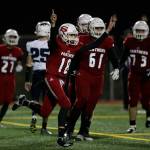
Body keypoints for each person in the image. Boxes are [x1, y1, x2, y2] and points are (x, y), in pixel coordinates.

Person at [12, 16, 115, 147]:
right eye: (71, 35)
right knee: (66, 104)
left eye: (74, 35)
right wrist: (54, 25)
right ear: (63, 35)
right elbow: (53, 38)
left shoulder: (77, 46)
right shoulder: (56, 44)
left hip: (63, 80)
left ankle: (24, 101)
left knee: (44, 112)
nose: (74, 37)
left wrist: (106, 32)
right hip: (52, 77)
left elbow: (93, 44)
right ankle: (62, 138)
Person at [66, 16, 119, 141]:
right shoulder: (82, 39)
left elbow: (113, 57)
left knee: (91, 105)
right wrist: (72, 70)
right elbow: (75, 56)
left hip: (98, 77)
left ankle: (83, 132)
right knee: (81, 100)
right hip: (83, 74)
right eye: (97, 28)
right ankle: (69, 130)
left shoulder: (107, 40)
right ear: (90, 28)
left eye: (101, 28)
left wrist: (117, 68)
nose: (99, 30)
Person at [120, 20, 150, 133]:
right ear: (134, 31)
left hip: (147, 75)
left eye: (142, 31)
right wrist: (118, 68)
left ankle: (148, 117)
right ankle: (132, 126)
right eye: (138, 30)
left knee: (146, 100)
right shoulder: (129, 41)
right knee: (132, 100)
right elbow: (123, 57)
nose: (140, 33)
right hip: (134, 75)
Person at [24, 21, 52, 135]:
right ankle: (44, 127)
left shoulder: (30, 44)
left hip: (36, 73)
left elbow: (29, 64)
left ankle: (34, 119)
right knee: (47, 101)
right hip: (49, 74)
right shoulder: (52, 44)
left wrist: (27, 80)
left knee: (35, 99)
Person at [0, 29, 23, 127]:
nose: (12, 39)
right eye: (11, 37)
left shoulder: (18, 51)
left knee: (7, 101)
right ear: (5, 37)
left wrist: (19, 65)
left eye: (14, 37)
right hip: (0, 77)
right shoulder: (1, 48)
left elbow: (19, 61)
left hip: (10, 78)